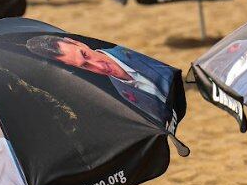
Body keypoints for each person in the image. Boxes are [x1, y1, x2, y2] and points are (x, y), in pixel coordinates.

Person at [24, 34, 173, 127]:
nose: (99, 66)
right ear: (72, 66)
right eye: (85, 65)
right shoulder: (121, 95)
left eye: (85, 55)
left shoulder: (138, 47)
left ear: (77, 43)